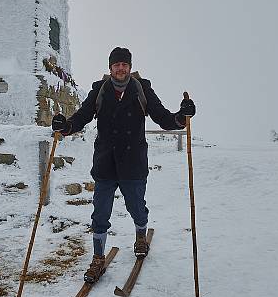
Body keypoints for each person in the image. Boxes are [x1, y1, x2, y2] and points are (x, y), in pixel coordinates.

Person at [51, 47, 196, 283]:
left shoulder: (141, 88)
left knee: (136, 207)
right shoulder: (100, 90)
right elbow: (83, 115)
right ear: (110, 68)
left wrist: (181, 116)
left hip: (133, 164)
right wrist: (65, 127)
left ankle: (140, 235)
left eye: (124, 65)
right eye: (116, 65)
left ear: (129, 67)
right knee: (100, 214)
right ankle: (98, 258)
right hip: (106, 163)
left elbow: (163, 117)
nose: (121, 68)